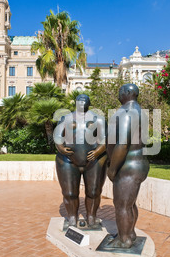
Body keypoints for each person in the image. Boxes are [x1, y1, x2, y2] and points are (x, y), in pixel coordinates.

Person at [106, 84, 150, 248]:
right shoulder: (140, 112)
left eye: (120, 91)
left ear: (127, 93)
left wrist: (112, 169)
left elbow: (122, 144)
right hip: (139, 163)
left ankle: (124, 240)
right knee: (130, 203)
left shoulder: (125, 112)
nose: (118, 93)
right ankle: (129, 233)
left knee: (122, 205)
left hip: (127, 165)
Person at [54, 94, 107, 228]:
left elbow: (105, 140)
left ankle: (91, 216)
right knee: (70, 192)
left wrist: (97, 152)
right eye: (80, 100)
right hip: (68, 160)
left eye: (85, 100)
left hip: (94, 160)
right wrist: (61, 148)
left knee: (94, 192)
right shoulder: (66, 118)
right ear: (75, 103)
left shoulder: (98, 119)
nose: (82, 103)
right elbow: (58, 136)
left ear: (89, 103)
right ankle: (72, 217)